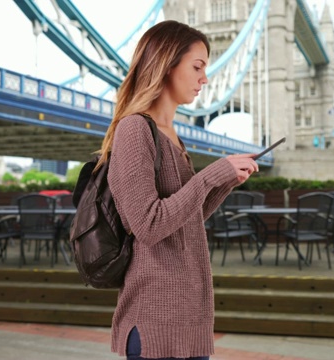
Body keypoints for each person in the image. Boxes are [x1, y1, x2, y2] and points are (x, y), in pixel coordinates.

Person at [99, 20, 259, 359]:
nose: (205, 78)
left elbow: (185, 220)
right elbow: (149, 225)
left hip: (189, 316)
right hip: (156, 319)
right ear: (166, 65)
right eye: (197, 66)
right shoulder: (135, 129)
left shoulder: (173, 136)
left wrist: (225, 182)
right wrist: (211, 175)